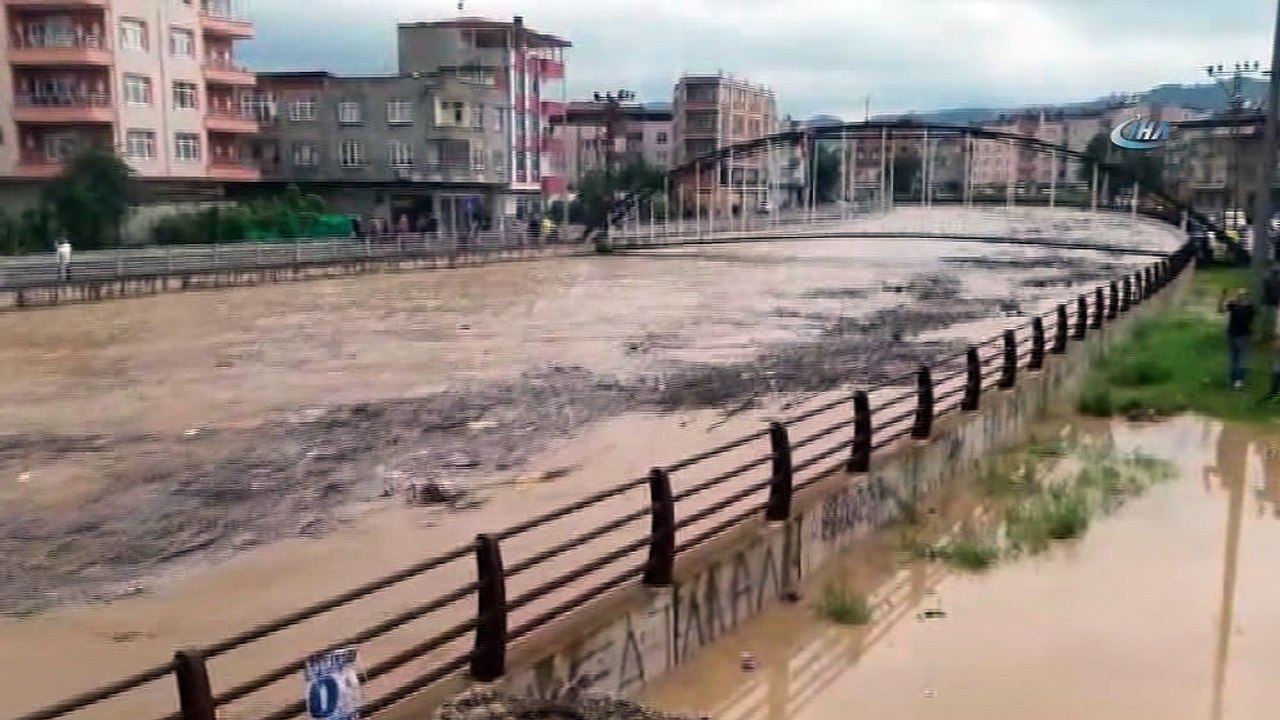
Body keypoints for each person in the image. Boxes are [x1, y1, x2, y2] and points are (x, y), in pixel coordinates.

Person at [1219, 287, 1256, 389]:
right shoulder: (1249, 308)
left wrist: (1223, 297)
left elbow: (1220, 310)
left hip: (1233, 335)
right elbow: (1252, 323)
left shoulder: (1234, 305)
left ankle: (1233, 380)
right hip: (1242, 336)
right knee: (1241, 358)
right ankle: (1238, 380)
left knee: (1234, 358)